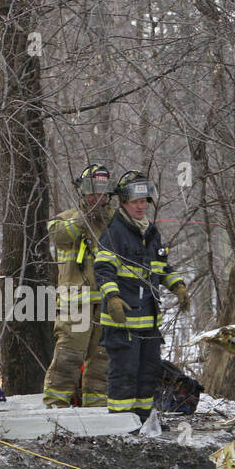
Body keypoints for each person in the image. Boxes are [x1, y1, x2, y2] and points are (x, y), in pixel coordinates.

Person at [94, 170, 189, 420]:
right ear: (124, 202)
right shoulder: (114, 232)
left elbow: (160, 267)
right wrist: (112, 298)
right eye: (135, 201)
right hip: (123, 322)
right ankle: (121, 423)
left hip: (149, 322)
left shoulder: (151, 233)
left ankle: (142, 420)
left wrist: (177, 286)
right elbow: (103, 269)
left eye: (144, 201)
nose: (140, 206)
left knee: (148, 374)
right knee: (124, 374)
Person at [42, 163, 113, 407]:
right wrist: (83, 219)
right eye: (93, 191)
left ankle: (97, 405)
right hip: (75, 302)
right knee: (68, 357)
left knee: (102, 358)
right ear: (83, 191)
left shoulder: (116, 221)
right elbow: (60, 237)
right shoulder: (64, 219)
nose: (98, 197)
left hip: (107, 301)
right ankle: (55, 406)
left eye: (103, 192)